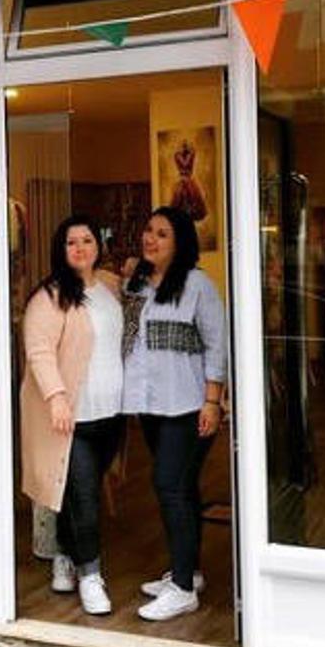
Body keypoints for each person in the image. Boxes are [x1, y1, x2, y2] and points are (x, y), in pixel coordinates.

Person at [122, 205, 227, 622]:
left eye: (162, 234)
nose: (151, 239)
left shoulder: (198, 285)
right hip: (151, 405)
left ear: (180, 242)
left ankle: (182, 590)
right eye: (148, 230)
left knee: (169, 486)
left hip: (188, 406)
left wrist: (212, 401)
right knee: (183, 489)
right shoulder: (139, 284)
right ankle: (189, 572)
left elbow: (217, 345)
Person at [20, 214, 125, 616]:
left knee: (78, 492)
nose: (79, 248)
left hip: (111, 410)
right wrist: (57, 398)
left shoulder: (111, 286)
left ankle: (64, 553)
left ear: (98, 244)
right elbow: (40, 350)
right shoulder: (49, 297)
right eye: (70, 242)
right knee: (83, 497)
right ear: (60, 250)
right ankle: (91, 575)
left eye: (87, 240)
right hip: (71, 416)